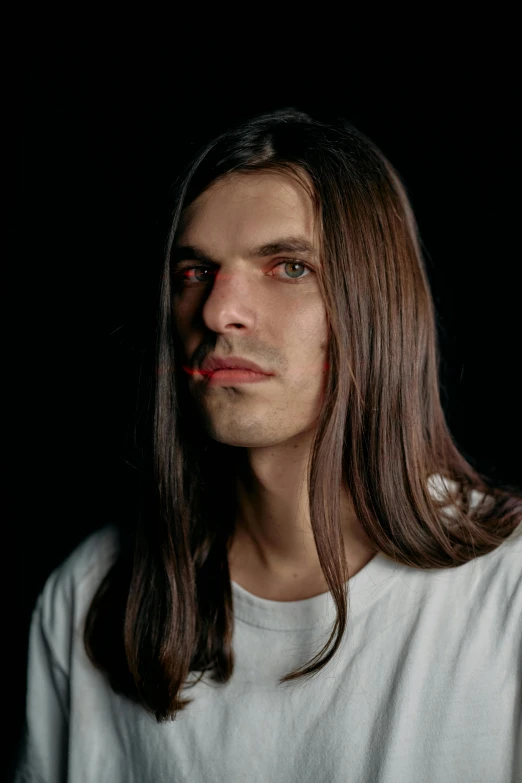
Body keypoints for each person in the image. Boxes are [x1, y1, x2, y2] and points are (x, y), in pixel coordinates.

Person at [14, 108, 522, 783]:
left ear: (375, 306)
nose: (219, 311)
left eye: (288, 267)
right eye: (195, 271)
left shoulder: (507, 597)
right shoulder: (89, 598)